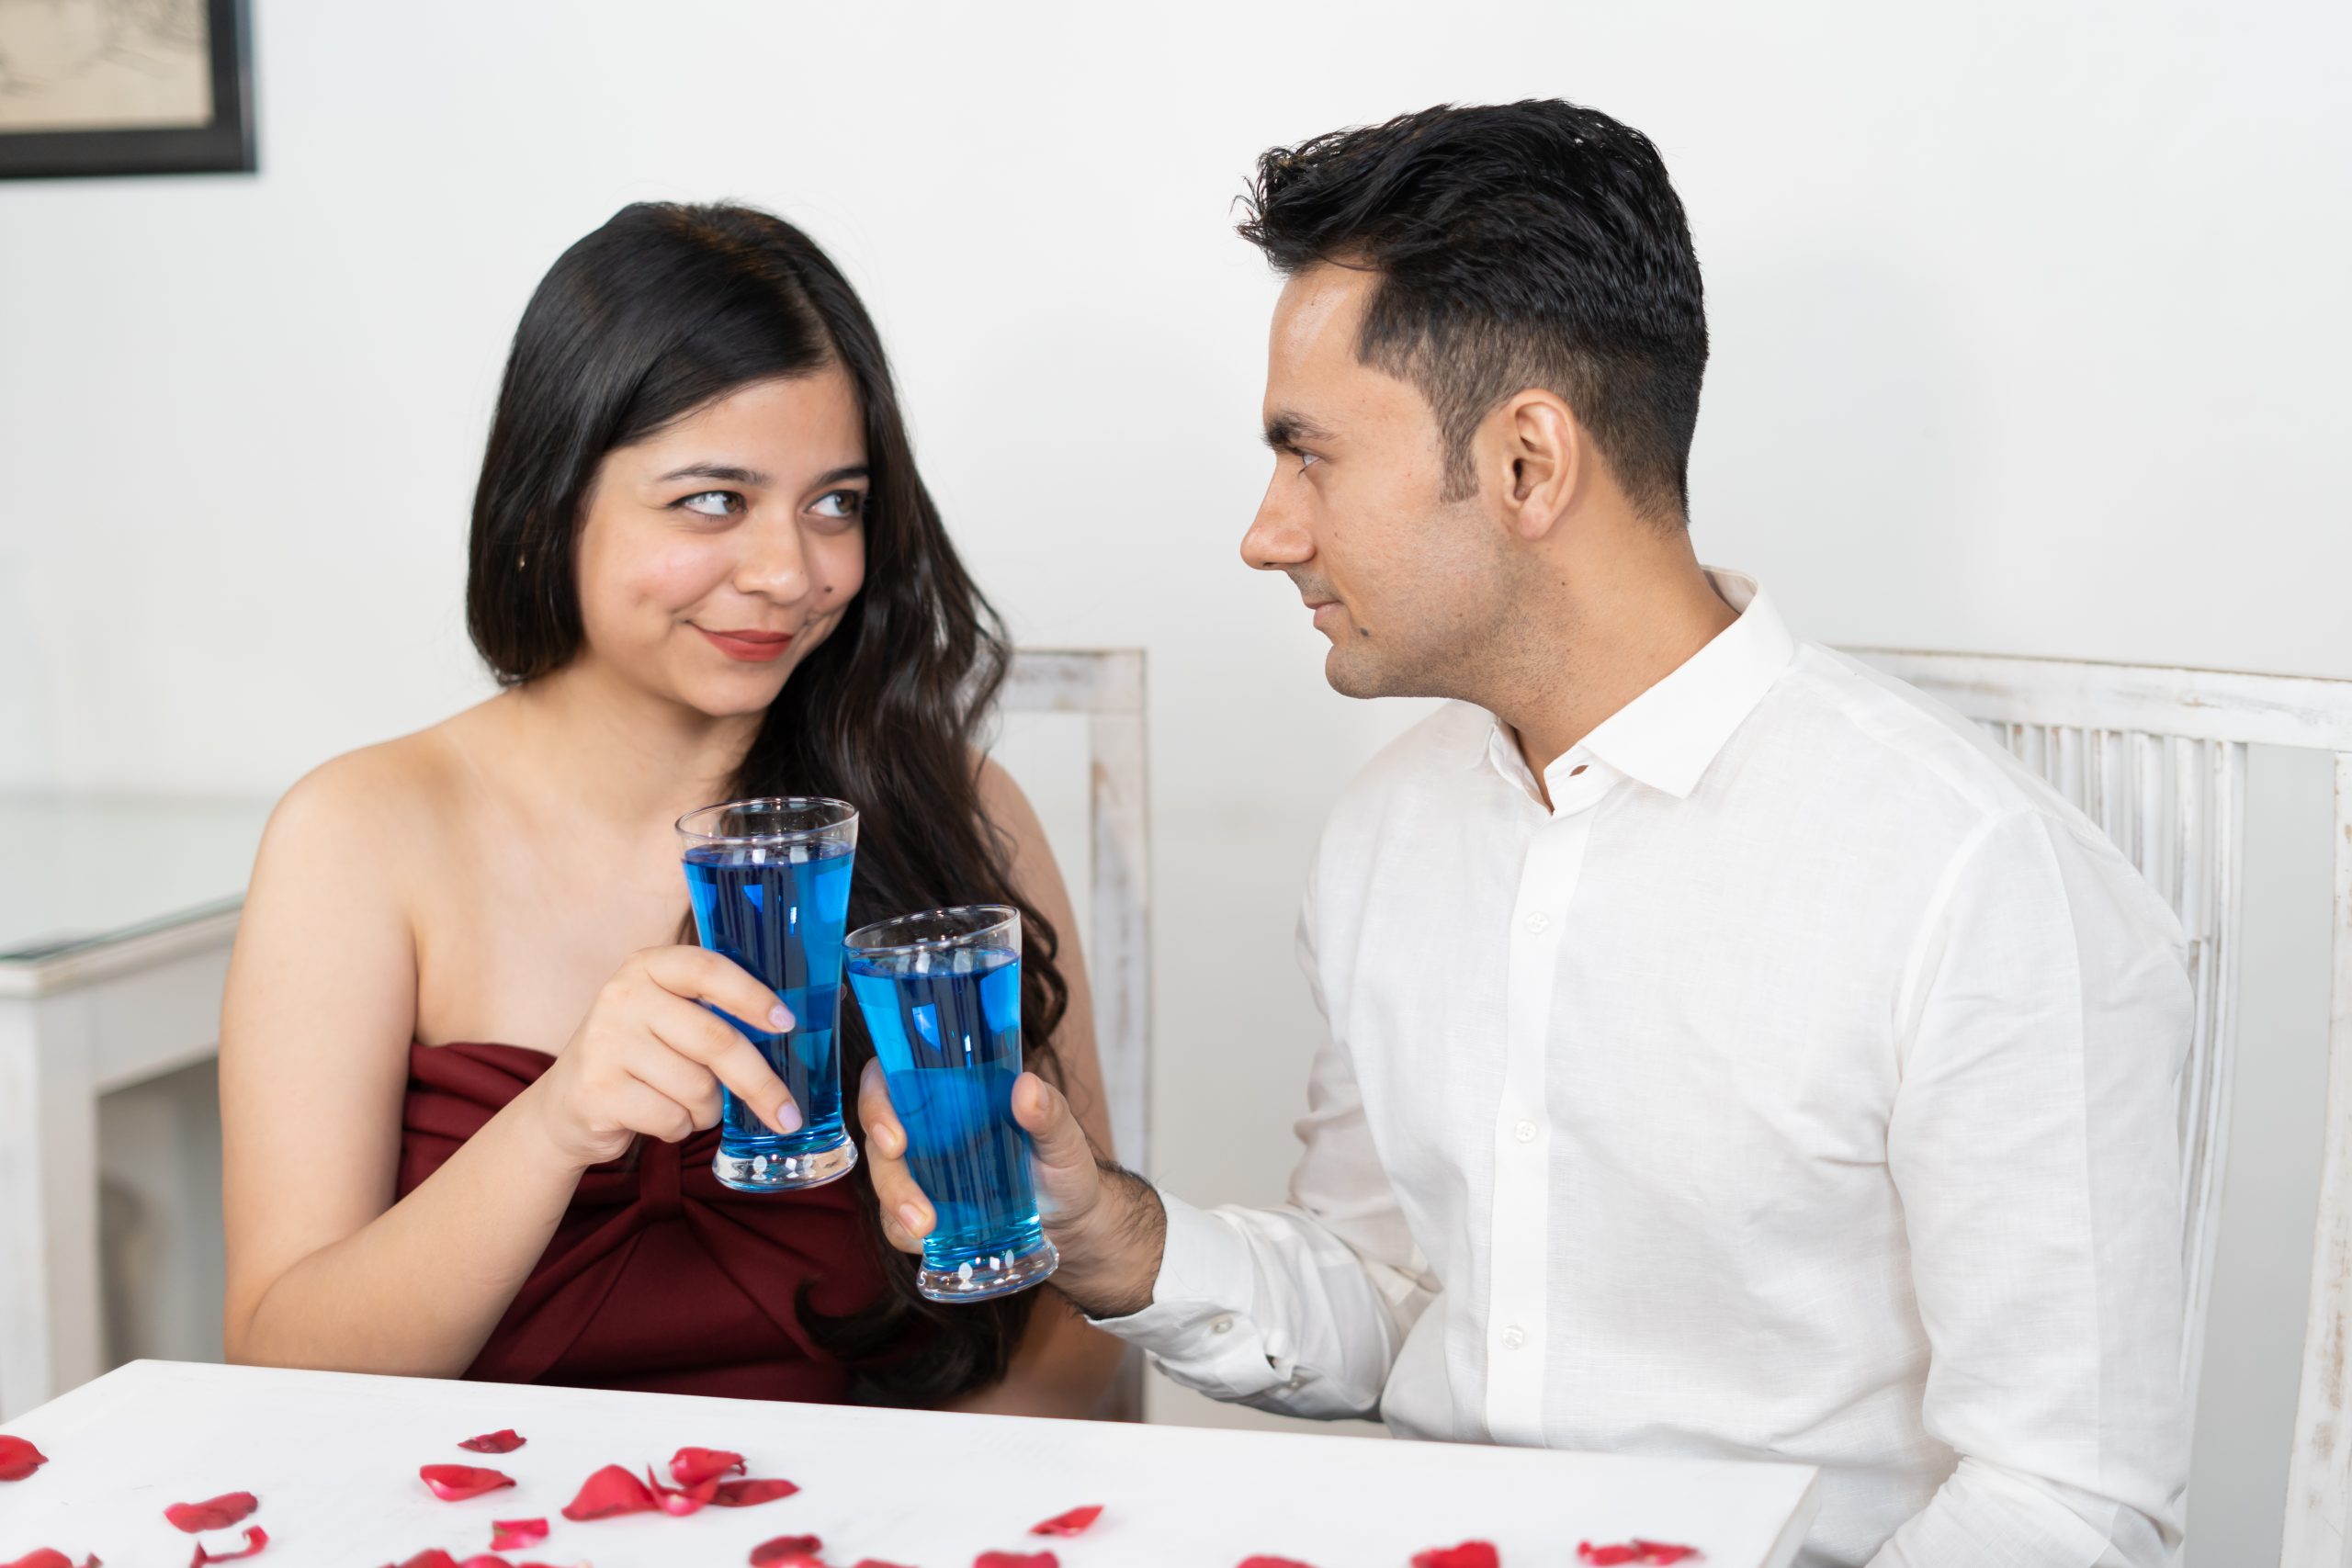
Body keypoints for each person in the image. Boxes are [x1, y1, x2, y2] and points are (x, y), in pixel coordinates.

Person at [863, 101, 2191, 1562]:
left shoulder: (1973, 880)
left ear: (1527, 465)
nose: (1266, 531)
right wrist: (1115, 1234)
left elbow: (2069, 1502)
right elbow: (1396, 1301)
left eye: (1311, 456)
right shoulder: (1391, 832)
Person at [219, 201, 1123, 1416]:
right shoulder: (361, 833)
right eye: (712, 500)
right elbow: (277, 1368)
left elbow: (1079, 1326)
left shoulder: (949, 806)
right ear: (553, 502)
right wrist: (556, 1122)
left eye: (836, 503)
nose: (789, 573)